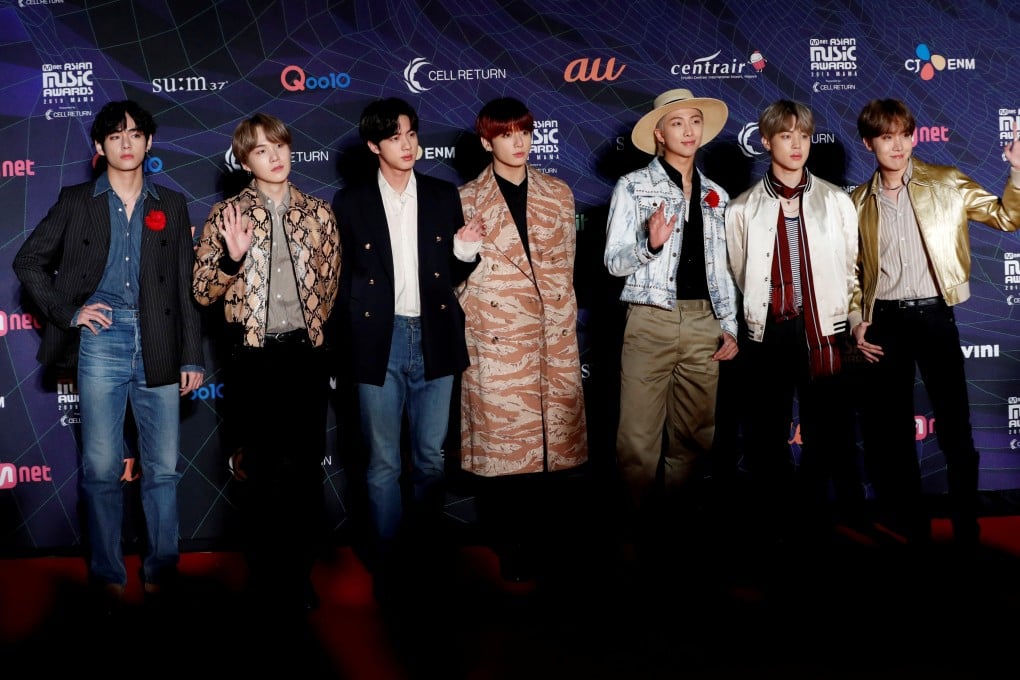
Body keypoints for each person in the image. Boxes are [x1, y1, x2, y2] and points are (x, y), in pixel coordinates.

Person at [13, 100, 204, 608]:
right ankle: (106, 573)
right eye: (115, 135)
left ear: (148, 143)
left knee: (162, 468)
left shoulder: (173, 203)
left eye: (135, 134)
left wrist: (192, 355)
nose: (126, 142)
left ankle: (162, 568)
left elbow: (185, 289)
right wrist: (69, 311)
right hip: (102, 341)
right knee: (100, 468)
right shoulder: (77, 200)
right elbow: (28, 260)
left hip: (161, 341)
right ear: (99, 148)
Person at [849, 98, 1020, 547]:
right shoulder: (856, 201)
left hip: (934, 317)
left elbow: (1007, 218)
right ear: (869, 143)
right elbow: (851, 269)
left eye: (905, 134)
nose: (899, 145)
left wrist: (1017, 173)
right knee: (892, 433)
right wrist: (855, 320)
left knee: (955, 424)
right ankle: (913, 525)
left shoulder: (946, 182)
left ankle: (967, 523)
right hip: (884, 323)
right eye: (887, 136)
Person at [192, 112, 340, 611]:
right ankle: (265, 574)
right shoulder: (226, 216)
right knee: (259, 471)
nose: (275, 157)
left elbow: (330, 291)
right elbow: (202, 293)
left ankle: (298, 574)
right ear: (245, 161)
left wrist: (319, 347)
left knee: (302, 471)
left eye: (279, 145)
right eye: (261, 150)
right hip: (252, 360)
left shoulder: (319, 213)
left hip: (305, 358)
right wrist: (232, 259)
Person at [331, 97, 478, 593]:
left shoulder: (442, 194)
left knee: (431, 458)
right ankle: (390, 561)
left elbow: (453, 273)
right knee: (383, 461)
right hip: (378, 340)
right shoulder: (350, 202)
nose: (407, 144)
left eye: (411, 133)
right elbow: (341, 280)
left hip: (434, 335)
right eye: (394, 136)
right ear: (374, 145)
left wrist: (465, 252)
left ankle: (426, 552)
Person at [455, 97, 589, 582]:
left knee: (553, 450)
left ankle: (548, 544)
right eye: (506, 133)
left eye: (525, 132)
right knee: (506, 451)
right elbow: (456, 276)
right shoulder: (465, 199)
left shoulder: (559, 193)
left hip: (551, 336)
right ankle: (509, 544)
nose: (519, 142)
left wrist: (559, 314)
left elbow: (566, 268)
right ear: (486, 140)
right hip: (496, 340)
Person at [604, 88, 739, 560]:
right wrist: (651, 244)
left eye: (694, 121)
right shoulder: (633, 186)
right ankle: (633, 536)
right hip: (650, 319)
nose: (688, 130)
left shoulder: (715, 194)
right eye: (677, 123)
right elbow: (613, 262)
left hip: (705, 321)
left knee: (694, 437)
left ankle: (675, 531)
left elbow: (723, 268)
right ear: (659, 133)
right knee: (637, 439)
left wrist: (730, 325)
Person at [725, 100, 863, 545]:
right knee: (767, 435)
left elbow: (850, 268)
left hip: (823, 330)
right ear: (766, 142)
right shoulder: (742, 208)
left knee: (826, 433)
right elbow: (737, 272)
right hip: (769, 333)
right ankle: (778, 526)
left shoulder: (835, 200)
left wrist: (854, 320)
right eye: (786, 135)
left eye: (803, 135)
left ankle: (815, 521)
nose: (797, 144)